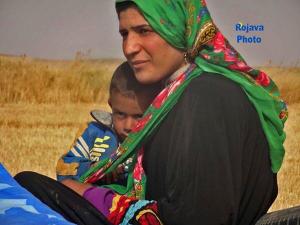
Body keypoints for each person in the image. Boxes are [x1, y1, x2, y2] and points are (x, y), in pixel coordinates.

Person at [15, 1, 288, 225]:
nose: (129, 47)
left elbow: (198, 217)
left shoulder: (205, 96)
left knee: (26, 188)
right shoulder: (177, 96)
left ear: (179, 28)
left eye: (144, 30)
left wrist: (89, 194)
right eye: (124, 33)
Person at [56, 61, 160, 185]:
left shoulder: (157, 140)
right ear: (111, 105)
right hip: (88, 200)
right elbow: (63, 169)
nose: (128, 126)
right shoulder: (93, 132)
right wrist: (95, 169)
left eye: (139, 116)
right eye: (120, 114)